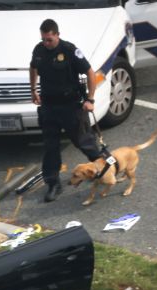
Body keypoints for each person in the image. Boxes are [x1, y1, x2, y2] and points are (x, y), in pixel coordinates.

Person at [30, 18, 105, 202]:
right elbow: (33, 67)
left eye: (49, 39)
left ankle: (104, 170)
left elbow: (89, 72)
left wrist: (90, 99)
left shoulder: (69, 50)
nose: (46, 43)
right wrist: (33, 89)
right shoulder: (39, 50)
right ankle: (53, 183)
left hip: (71, 106)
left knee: (84, 141)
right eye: (44, 39)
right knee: (50, 147)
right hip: (48, 106)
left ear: (57, 35)